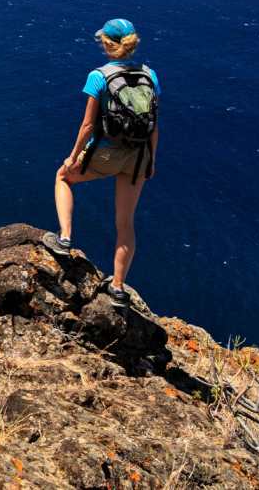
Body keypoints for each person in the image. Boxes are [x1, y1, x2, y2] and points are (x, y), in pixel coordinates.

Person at [44, 18, 159, 309]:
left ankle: (65, 238)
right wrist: (151, 161)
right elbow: (154, 125)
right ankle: (118, 288)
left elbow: (87, 126)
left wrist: (73, 158)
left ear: (108, 44)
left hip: (106, 154)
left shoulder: (99, 76)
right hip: (138, 156)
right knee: (125, 223)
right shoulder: (150, 75)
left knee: (63, 177)